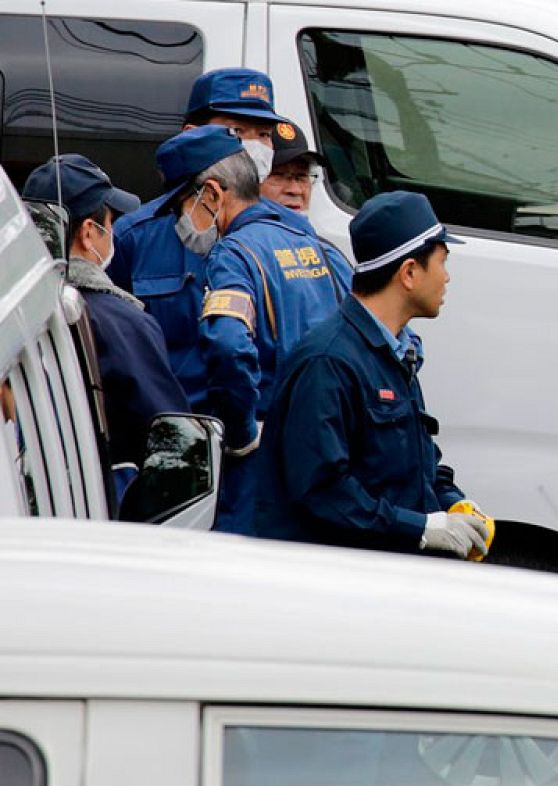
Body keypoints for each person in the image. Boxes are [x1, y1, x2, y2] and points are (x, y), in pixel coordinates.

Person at [255, 191, 489, 558]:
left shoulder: (394, 351)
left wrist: (452, 503)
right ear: (409, 272)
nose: (447, 278)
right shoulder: (328, 361)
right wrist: (422, 529)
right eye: (442, 262)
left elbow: (418, 459)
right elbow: (322, 490)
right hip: (337, 583)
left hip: (384, 574)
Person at [108, 68, 341, 408]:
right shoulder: (134, 236)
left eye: (263, 134)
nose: (252, 146)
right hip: (173, 431)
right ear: (192, 134)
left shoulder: (290, 230)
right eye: (236, 130)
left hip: (257, 432)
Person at [152, 125, 344, 533]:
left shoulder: (234, 254)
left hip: (263, 461)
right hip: (328, 452)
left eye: (183, 205)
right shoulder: (321, 249)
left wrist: (240, 433)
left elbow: (227, 344)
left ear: (214, 195)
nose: (181, 220)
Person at [20, 154, 189, 504]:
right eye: (110, 220)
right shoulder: (121, 323)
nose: (112, 231)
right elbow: (172, 437)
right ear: (87, 232)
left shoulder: (16, 310)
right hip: (96, 513)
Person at [261, 118, 355, 287]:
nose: (295, 190)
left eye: (301, 177)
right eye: (279, 176)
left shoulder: (328, 253)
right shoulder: (240, 250)